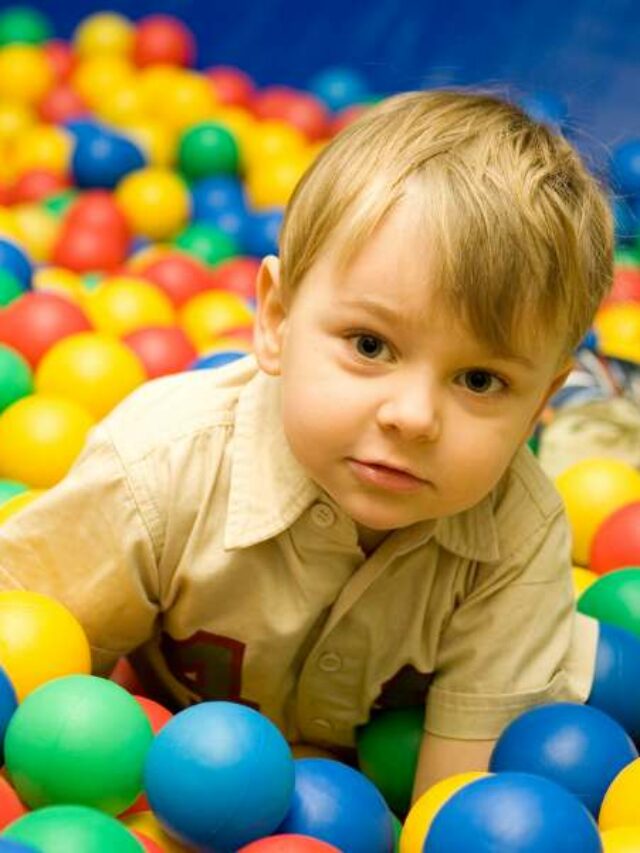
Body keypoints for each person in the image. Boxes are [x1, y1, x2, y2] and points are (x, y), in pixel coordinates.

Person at [0, 89, 613, 802]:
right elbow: (28, 681)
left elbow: (453, 808)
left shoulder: (520, 538)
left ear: (539, 402)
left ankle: (607, 394)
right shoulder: (160, 466)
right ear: (277, 318)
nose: (413, 416)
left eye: (480, 379)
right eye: (370, 344)